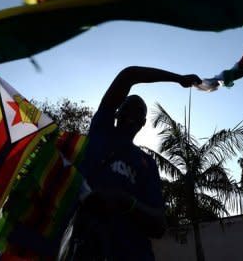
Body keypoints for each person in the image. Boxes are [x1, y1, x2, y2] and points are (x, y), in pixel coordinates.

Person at [64, 66, 201, 261]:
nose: (132, 114)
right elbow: (129, 75)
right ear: (117, 112)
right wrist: (178, 78)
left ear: (143, 123)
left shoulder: (147, 163)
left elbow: (159, 225)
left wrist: (126, 202)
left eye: (139, 112)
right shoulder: (100, 132)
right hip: (83, 248)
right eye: (127, 107)